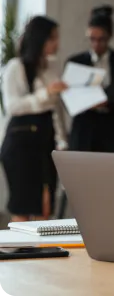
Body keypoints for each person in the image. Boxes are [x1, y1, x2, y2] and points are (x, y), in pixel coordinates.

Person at [0, 16, 68, 222]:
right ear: (40, 39)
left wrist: (63, 141)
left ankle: (42, 254)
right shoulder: (16, 67)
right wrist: (45, 94)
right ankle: (17, 254)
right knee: (23, 207)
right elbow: (13, 106)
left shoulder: (52, 68)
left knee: (45, 208)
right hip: (21, 144)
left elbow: (57, 112)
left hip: (46, 141)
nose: (57, 43)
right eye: (52, 38)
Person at [67, 5, 114, 153]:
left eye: (101, 40)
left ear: (110, 36)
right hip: (85, 130)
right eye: (92, 39)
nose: (96, 45)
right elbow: (68, 99)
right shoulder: (76, 62)